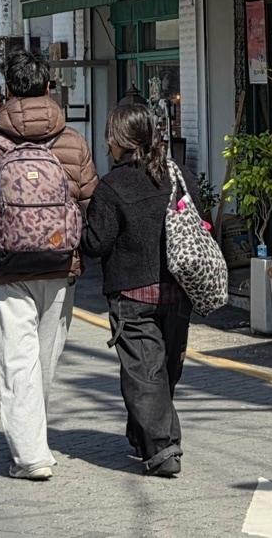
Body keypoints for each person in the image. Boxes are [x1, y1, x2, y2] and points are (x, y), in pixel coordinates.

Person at [0, 50, 98, 482]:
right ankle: (35, 441)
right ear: (48, 87)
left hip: (9, 267)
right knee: (45, 359)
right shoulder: (71, 142)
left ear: (8, 89)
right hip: (59, 266)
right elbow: (90, 203)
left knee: (18, 360)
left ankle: (31, 454)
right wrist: (79, 254)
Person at [82, 104, 194, 478]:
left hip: (132, 295)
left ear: (118, 141)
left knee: (145, 374)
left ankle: (163, 449)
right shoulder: (178, 177)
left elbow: (96, 242)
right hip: (178, 290)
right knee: (164, 370)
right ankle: (143, 433)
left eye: (109, 136)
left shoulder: (112, 187)